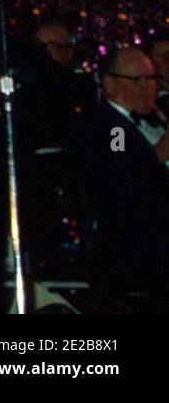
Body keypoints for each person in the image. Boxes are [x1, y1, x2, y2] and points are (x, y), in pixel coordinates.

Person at [78, 47, 169, 309]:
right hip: (135, 254)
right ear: (109, 84)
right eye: (136, 80)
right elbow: (124, 179)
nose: (146, 88)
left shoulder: (144, 121)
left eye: (151, 80)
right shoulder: (111, 127)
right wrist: (161, 151)